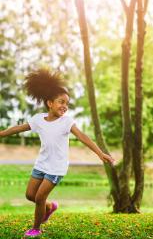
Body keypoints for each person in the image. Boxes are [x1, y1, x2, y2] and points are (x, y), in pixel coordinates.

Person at [0, 68, 114, 237]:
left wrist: (100, 153)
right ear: (50, 103)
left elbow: (83, 137)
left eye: (66, 103)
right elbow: (19, 128)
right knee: (30, 195)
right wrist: (1, 134)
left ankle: (36, 229)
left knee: (39, 198)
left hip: (57, 167)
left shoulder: (67, 122)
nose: (65, 106)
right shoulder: (38, 119)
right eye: (61, 102)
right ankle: (50, 207)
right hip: (41, 163)